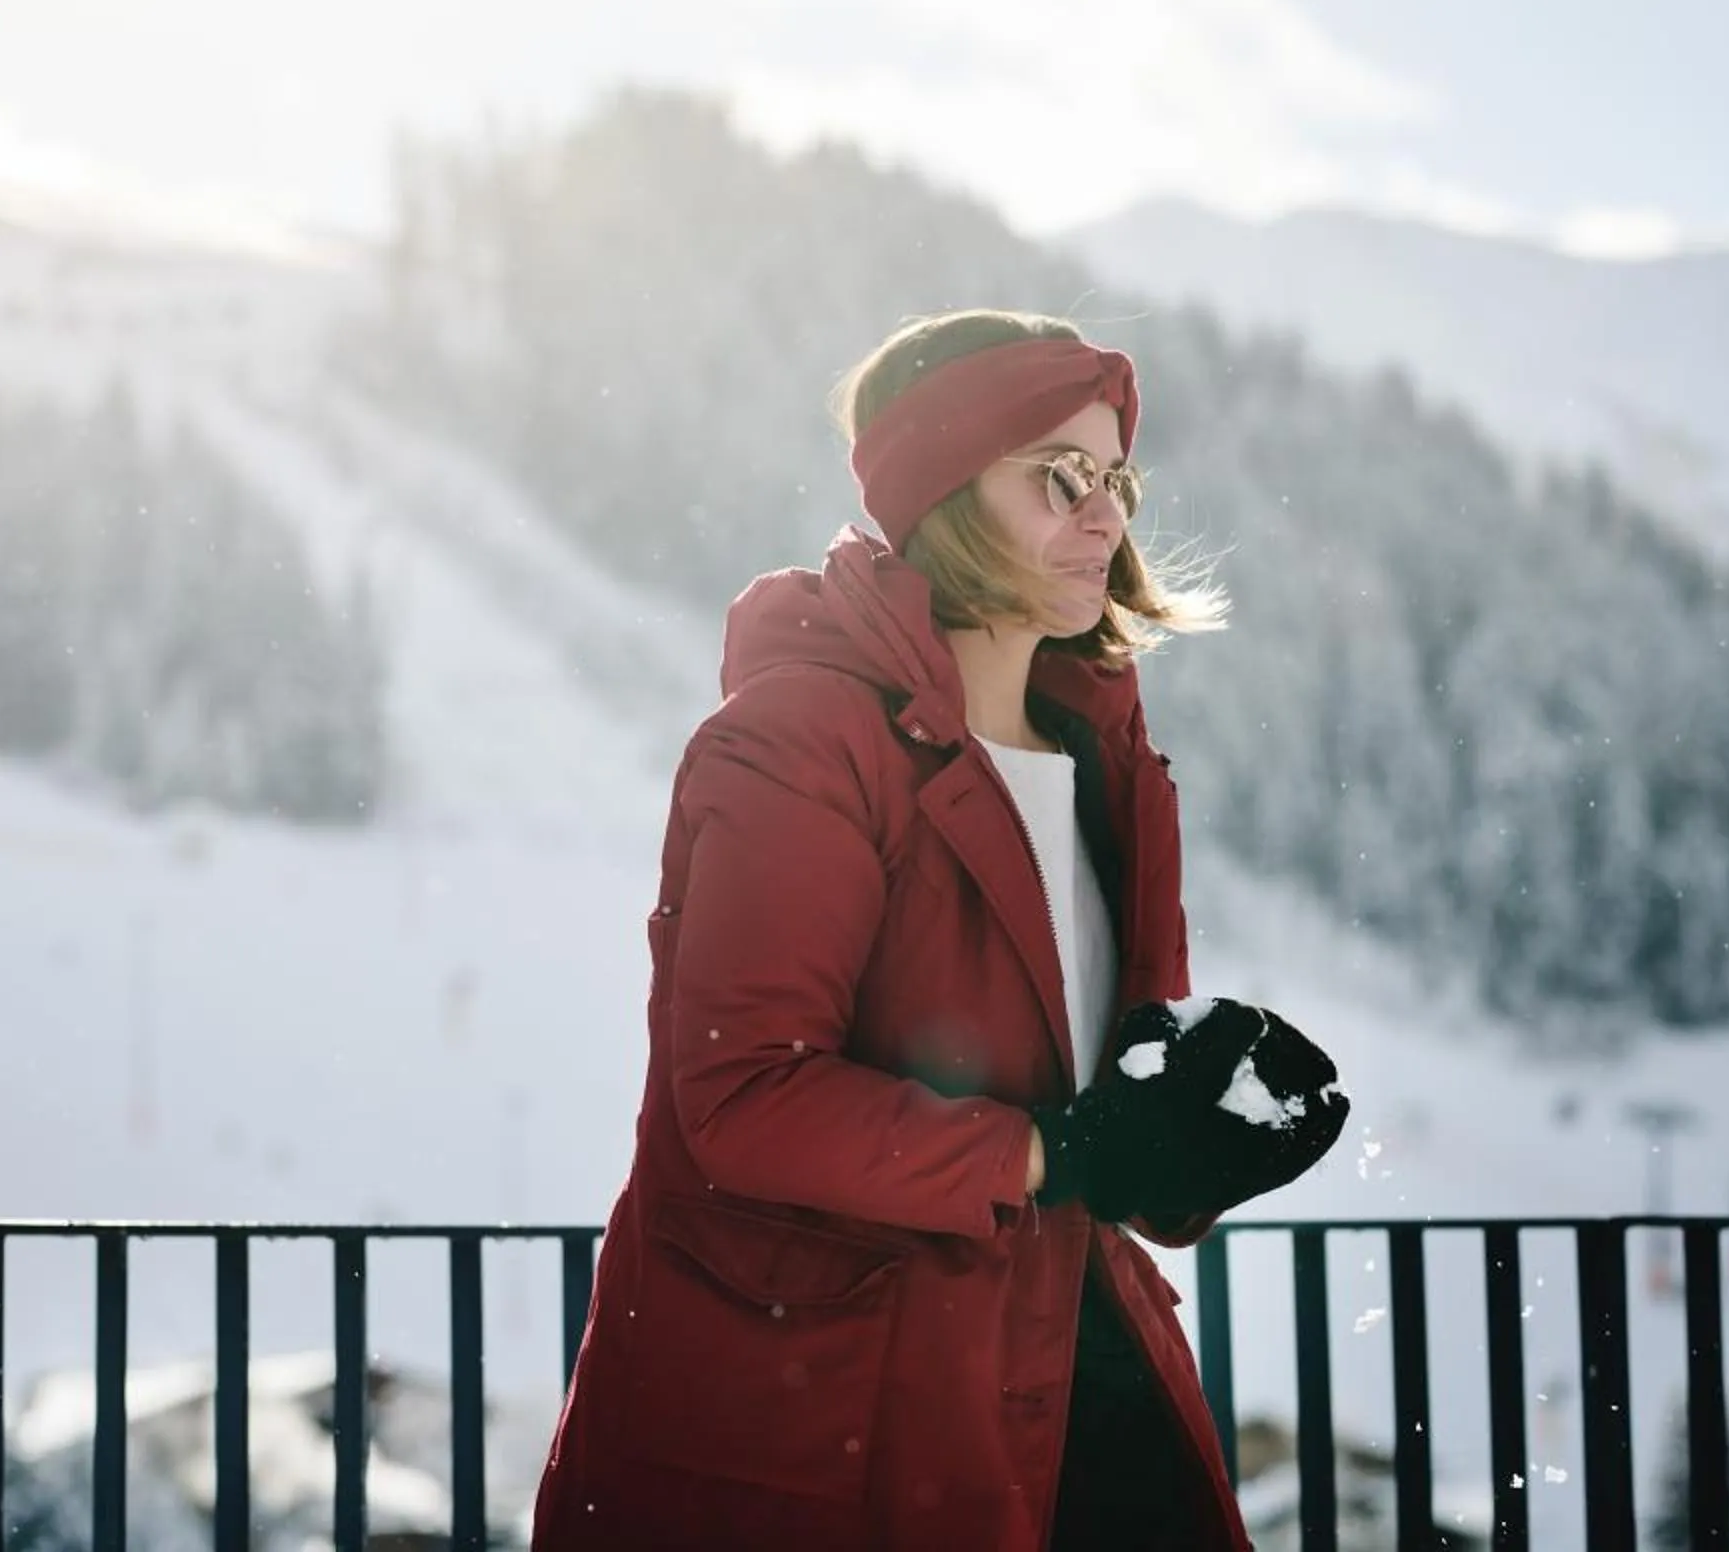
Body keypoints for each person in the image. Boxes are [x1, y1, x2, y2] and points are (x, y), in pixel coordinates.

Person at [529, 308, 1352, 1552]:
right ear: (943, 491)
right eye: (1060, 476)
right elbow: (745, 1095)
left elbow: (1097, 1129)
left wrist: (1188, 1133)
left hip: (1065, 1373)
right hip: (830, 1422)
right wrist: (1049, 1153)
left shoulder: (1109, 762)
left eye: (1118, 478)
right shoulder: (802, 741)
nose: (1107, 516)